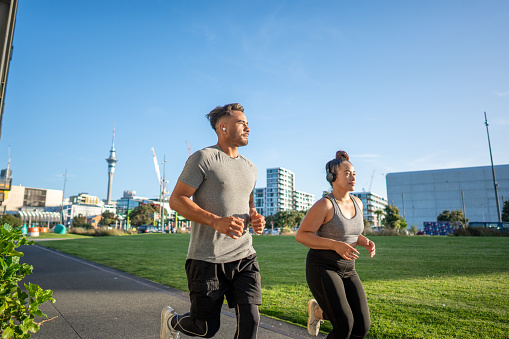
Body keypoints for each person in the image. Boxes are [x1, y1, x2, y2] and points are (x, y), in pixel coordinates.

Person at [161, 103, 266, 339]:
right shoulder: (203, 158)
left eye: (247, 123)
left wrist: (255, 218)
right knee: (206, 328)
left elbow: (248, 204)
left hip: (244, 255)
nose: (248, 128)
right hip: (207, 257)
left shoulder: (251, 168)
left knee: (251, 320)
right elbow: (177, 200)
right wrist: (215, 221)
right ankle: (172, 322)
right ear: (223, 128)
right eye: (242, 123)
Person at [295, 151, 376, 339]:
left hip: (348, 268)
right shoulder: (325, 204)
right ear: (331, 177)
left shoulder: (358, 203)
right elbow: (302, 235)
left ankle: (318, 311)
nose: (352, 177)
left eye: (354, 173)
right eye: (347, 173)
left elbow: (350, 233)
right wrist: (334, 245)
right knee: (344, 325)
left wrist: (365, 241)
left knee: (362, 326)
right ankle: (318, 312)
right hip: (323, 266)